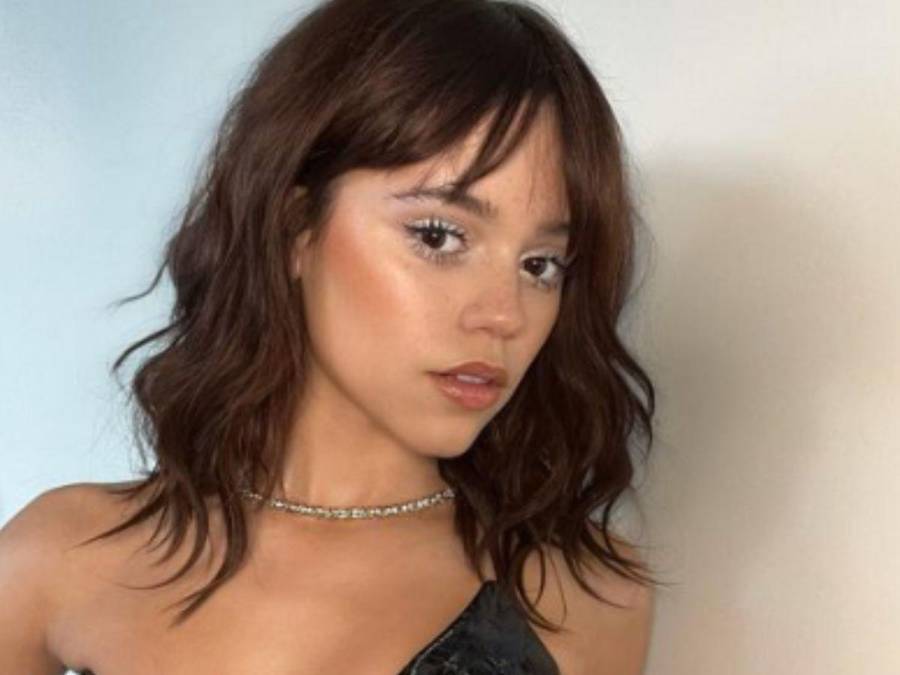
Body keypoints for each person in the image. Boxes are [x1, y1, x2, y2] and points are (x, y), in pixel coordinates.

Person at [0, 0, 661, 672]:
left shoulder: (586, 594)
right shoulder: (63, 558)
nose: (504, 314)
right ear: (296, 228)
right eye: (439, 236)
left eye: (540, 265)